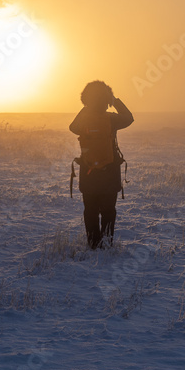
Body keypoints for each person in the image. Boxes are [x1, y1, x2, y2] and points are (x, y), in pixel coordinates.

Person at [69, 80, 133, 249]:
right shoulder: (112, 119)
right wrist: (115, 101)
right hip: (110, 173)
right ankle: (106, 244)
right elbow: (129, 118)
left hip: (88, 172)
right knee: (108, 211)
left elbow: (72, 126)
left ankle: (93, 244)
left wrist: (87, 107)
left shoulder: (83, 121)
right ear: (106, 101)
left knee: (90, 211)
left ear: (86, 99)